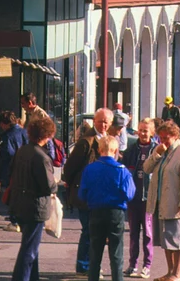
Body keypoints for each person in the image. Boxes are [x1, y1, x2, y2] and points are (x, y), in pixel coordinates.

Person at [63, 107, 114, 276]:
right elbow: (70, 167)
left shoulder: (110, 140)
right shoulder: (86, 141)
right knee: (89, 231)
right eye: (100, 121)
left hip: (102, 196)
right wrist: (69, 183)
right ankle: (84, 266)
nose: (103, 125)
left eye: (106, 122)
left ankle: (87, 265)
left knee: (95, 231)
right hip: (86, 194)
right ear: (94, 121)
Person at [143, 120, 180, 281]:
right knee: (166, 239)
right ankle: (170, 271)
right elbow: (146, 168)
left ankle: (176, 273)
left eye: (166, 137)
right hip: (161, 202)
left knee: (178, 239)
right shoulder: (162, 151)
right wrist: (156, 153)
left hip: (176, 203)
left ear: (175, 136)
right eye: (160, 137)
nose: (163, 141)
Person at [80, 135, 136, 281]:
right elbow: (129, 194)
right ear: (116, 150)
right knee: (116, 254)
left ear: (99, 149)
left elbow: (82, 194)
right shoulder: (122, 170)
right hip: (115, 212)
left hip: (95, 211)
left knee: (95, 253)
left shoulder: (90, 169)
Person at [8, 114, 56, 281]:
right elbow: (48, 186)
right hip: (35, 206)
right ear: (47, 135)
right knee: (29, 250)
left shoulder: (23, 151)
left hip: (20, 203)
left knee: (30, 246)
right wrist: (57, 184)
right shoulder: (41, 157)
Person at [121, 119, 157, 278]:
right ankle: (132, 264)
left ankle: (147, 265)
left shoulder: (157, 150)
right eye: (141, 130)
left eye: (146, 130)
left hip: (148, 198)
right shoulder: (131, 150)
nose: (143, 133)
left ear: (152, 133)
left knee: (148, 234)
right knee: (133, 233)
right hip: (133, 198)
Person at [0, 111, 28, 229]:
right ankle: (21, 219)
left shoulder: (7, 136)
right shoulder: (24, 132)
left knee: (11, 195)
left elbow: (7, 155)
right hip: (25, 168)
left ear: (5, 124)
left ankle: (14, 221)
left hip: (10, 170)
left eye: (1, 124)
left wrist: (0, 174)